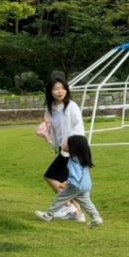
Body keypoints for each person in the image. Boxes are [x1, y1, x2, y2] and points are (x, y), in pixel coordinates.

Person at [40, 78, 85, 221]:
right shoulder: (50, 107)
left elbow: (78, 127)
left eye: (63, 88)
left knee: (50, 176)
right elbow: (49, 125)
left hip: (72, 148)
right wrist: (44, 124)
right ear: (50, 91)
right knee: (65, 182)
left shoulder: (71, 106)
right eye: (56, 89)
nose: (60, 91)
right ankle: (77, 213)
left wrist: (69, 142)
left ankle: (68, 206)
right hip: (61, 147)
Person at [35, 135, 103, 227]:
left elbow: (75, 177)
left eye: (67, 143)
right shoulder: (82, 159)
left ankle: (48, 215)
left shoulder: (73, 161)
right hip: (85, 186)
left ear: (73, 147)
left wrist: (65, 183)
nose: (64, 144)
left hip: (75, 186)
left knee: (60, 198)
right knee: (86, 202)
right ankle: (96, 218)